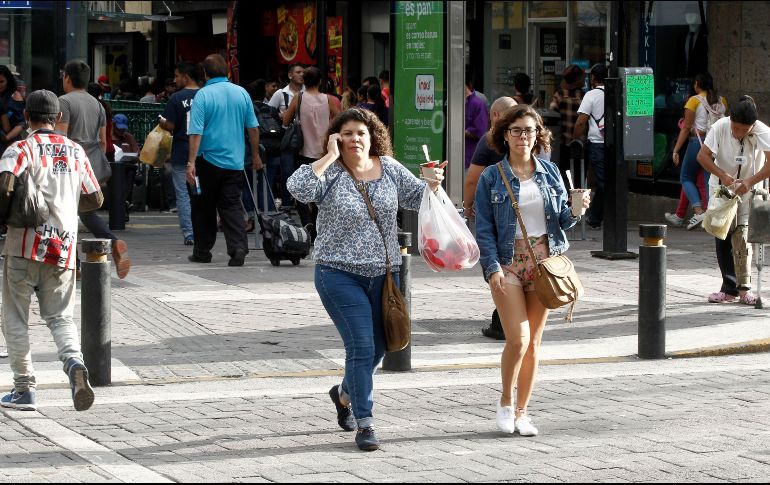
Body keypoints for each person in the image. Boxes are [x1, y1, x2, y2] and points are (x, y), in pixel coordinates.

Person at [286, 108, 446, 451]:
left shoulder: (388, 168)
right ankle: (365, 422)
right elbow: (296, 188)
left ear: (372, 136)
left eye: (361, 132)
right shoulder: (328, 172)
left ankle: (344, 394)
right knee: (360, 345)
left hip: (385, 275)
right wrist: (327, 156)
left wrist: (432, 183)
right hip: (337, 272)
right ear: (336, 138)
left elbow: (419, 198)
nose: (354, 139)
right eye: (347, 134)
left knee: (380, 346)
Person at [474, 104, 588, 436]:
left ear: (539, 135)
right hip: (508, 263)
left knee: (535, 343)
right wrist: (492, 266)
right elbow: (483, 228)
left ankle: (523, 412)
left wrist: (577, 210)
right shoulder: (491, 177)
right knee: (518, 339)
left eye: (529, 130)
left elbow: (562, 221)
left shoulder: (550, 172)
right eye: (516, 131)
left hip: (544, 263)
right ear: (504, 135)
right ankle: (505, 403)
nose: (524, 137)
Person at [0, 89, 103, 411]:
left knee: (15, 317)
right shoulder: (75, 151)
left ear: (26, 117)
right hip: (63, 246)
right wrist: (66, 203)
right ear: (58, 118)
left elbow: (5, 187)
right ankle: (74, 363)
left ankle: (24, 388)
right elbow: (95, 198)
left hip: (23, 245)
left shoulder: (19, 149)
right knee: (60, 317)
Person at [57, 59, 131, 279]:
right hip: (90, 166)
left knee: (63, 214)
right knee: (86, 212)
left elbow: (61, 139)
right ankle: (113, 244)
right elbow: (102, 141)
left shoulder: (64, 102)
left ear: (67, 78)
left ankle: (75, 264)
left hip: (69, 166)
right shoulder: (97, 104)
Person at [186, 54, 261, 266]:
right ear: (226, 71)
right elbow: (253, 128)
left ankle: (202, 251)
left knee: (203, 207)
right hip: (235, 162)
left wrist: (191, 162)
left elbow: (196, 132)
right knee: (231, 205)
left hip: (207, 160)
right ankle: (238, 248)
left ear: (204, 72)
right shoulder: (242, 93)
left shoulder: (203, 95)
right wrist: (255, 155)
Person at [696, 95, 770, 305]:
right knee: (722, 233)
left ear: (752, 126)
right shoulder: (720, 126)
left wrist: (750, 181)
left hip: (748, 189)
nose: (738, 133)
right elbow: (702, 156)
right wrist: (723, 175)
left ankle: (745, 290)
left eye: (743, 130)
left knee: (742, 236)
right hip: (721, 188)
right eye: (735, 128)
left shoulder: (762, 131)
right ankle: (729, 288)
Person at [462, 96, 518, 341]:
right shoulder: (532, 136)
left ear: (496, 115)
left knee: (497, 260)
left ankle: (503, 321)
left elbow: (473, 178)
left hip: (497, 210)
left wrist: (468, 204)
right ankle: (506, 319)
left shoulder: (490, 139)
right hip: (530, 214)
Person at [282, 66, 341, 239]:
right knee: (321, 189)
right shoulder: (328, 99)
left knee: (300, 187)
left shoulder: (298, 98)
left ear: (304, 81)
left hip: (302, 150)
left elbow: (286, 120)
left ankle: (307, 222)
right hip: (324, 153)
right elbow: (341, 118)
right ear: (320, 82)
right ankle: (316, 225)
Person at [667, 72, 727, 230]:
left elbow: (686, 128)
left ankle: (698, 210)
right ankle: (710, 213)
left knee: (686, 177)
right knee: (709, 179)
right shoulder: (722, 101)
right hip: (716, 144)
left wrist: (676, 149)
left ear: (697, 85)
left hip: (698, 142)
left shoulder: (693, 101)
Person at [159, 61, 201, 246]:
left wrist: (161, 122)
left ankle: (189, 233)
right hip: (204, 151)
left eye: (177, 76)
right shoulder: (206, 95)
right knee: (201, 191)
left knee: (182, 193)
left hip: (182, 149)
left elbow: (171, 125)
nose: (175, 80)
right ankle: (204, 228)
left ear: (186, 76)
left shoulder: (177, 98)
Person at [573, 63, 607, 229]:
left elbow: (581, 121)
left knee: (596, 181)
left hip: (596, 144)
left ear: (593, 78)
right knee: (604, 181)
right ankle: (594, 215)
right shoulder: (614, 93)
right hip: (612, 145)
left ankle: (591, 216)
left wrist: (574, 138)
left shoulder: (591, 95)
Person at [268, 63, 305, 209]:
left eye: (303, 72)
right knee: (287, 171)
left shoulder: (307, 92)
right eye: (298, 72)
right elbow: (268, 112)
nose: (302, 74)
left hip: (305, 137)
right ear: (290, 75)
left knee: (303, 171)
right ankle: (287, 203)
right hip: (287, 137)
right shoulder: (280, 94)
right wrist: (279, 115)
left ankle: (302, 203)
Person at [549, 64, 586, 186]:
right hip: (581, 143)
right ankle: (578, 201)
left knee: (565, 175)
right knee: (579, 175)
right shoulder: (584, 96)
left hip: (564, 143)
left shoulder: (559, 95)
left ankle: (567, 201)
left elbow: (552, 114)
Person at [465, 78, 490, 170]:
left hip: (471, 157)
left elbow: (480, 130)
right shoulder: (455, 102)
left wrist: (460, 132)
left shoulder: (477, 103)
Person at [0, 65, 26, 154]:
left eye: (1, 81)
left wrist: (7, 137)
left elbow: (21, 123)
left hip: (11, 143)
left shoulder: (15, 96)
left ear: (8, 80)